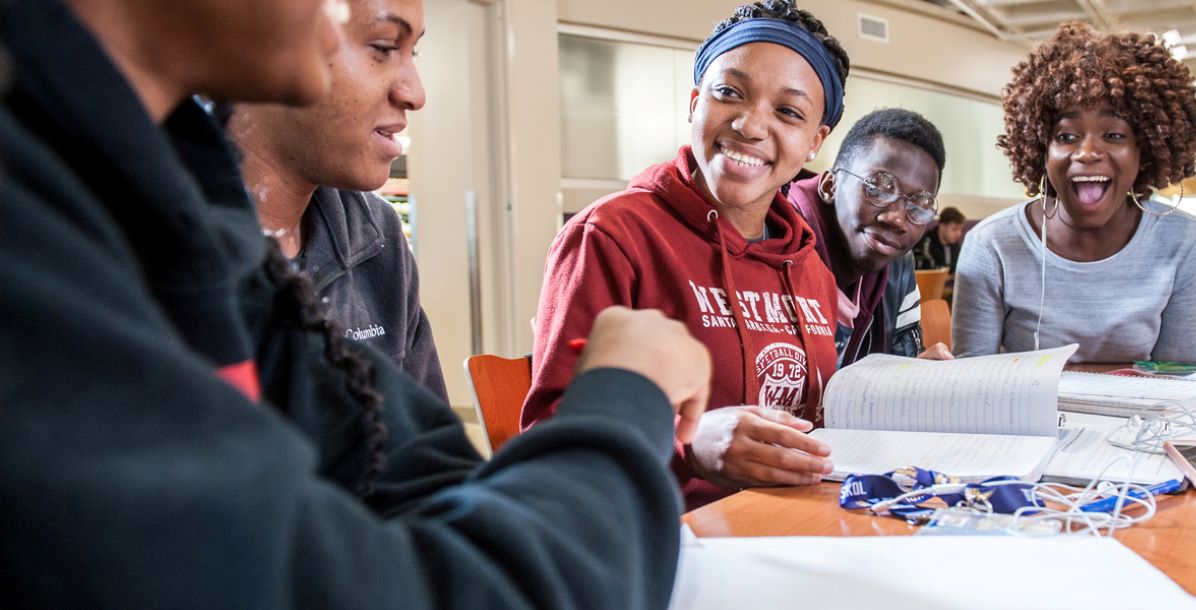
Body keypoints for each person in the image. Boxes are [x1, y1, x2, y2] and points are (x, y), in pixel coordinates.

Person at [0, 0, 712, 607]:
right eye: (381, 45)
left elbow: (427, 475)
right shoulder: (39, 227)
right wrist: (625, 397)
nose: (415, 90)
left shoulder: (177, 198)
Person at [523, 0, 847, 509]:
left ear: (815, 141)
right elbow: (554, 428)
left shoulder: (807, 265)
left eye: (788, 112)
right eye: (729, 93)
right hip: (665, 542)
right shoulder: (612, 236)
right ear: (695, 103)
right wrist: (686, 442)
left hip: (794, 528)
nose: (750, 125)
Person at [952, 22, 1196, 363]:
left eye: (1113, 135)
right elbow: (973, 381)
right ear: (1040, 148)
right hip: (1025, 416)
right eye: (1066, 136)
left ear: (1146, 149)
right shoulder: (992, 245)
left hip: (1144, 416)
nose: (1087, 152)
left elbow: (1184, 381)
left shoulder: (1189, 244)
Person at [227, 0, 446, 400]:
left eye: (411, 52)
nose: (415, 93)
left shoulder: (377, 239)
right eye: (382, 47)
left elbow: (426, 453)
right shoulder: (148, 242)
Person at [786, 108, 952, 365]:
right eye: (878, 188)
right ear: (831, 185)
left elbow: (898, 367)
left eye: (919, 205)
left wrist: (915, 377)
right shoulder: (775, 245)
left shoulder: (898, 264)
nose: (896, 219)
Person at [914, 207, 967, 272]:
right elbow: (929, 269)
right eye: (955, 229)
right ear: (942, 226)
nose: (959, 234)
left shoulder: (955, 245)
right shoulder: (926, 243)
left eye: (960, 229)